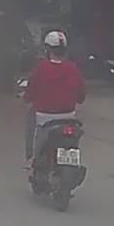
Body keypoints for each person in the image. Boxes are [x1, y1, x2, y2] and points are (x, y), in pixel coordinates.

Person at [23, 30, 86, 168]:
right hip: (69, 117)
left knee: (30, 118)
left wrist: (26, 97)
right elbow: (81, 96)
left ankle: (32, 158)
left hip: (45, 118)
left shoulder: (41, 68)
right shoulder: (73, 69)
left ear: (47, 49)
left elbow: (30, 93)